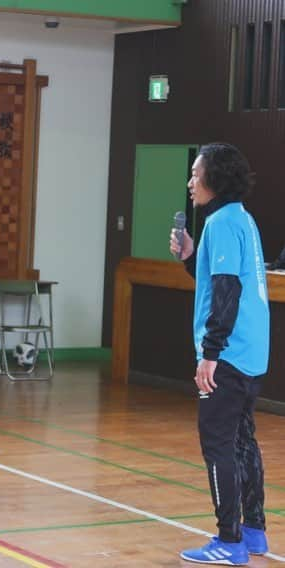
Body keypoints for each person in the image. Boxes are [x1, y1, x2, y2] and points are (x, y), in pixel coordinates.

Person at [170, 143, 269, 565]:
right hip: (251, 353)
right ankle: (253, 533)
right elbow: (219, 278)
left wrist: (210, 353)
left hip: (227, 354)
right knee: (243, 442)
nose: (191, 181)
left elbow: (226, 292)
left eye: (196, 173)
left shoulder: (223, 222)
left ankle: (228, 541)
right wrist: (192, 257)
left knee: (218, 447)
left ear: (216, 178)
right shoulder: (240, 219)